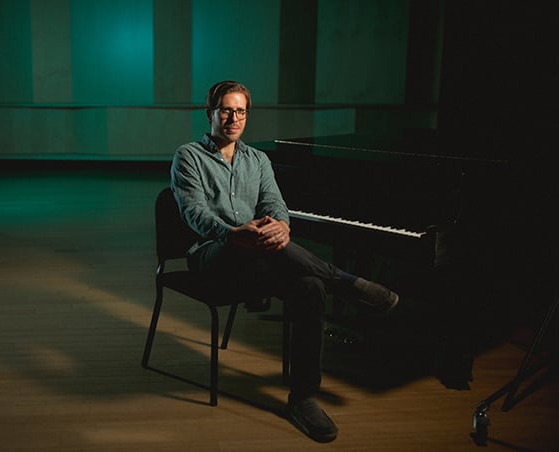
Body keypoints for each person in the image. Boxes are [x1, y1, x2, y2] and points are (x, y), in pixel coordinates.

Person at [170, 80, 399, 443]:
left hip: (258, 260)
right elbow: (194, 213)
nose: (234, 118)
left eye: (241, 111)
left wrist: (281, 228)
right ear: (210, 113)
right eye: (226, 110)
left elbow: (275, 206)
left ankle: (303, 398)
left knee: (309, 286)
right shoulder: (189, 157)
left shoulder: (258, 160)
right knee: (252, 241)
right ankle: (345, 282)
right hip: (213, 256)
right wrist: (233, 233)